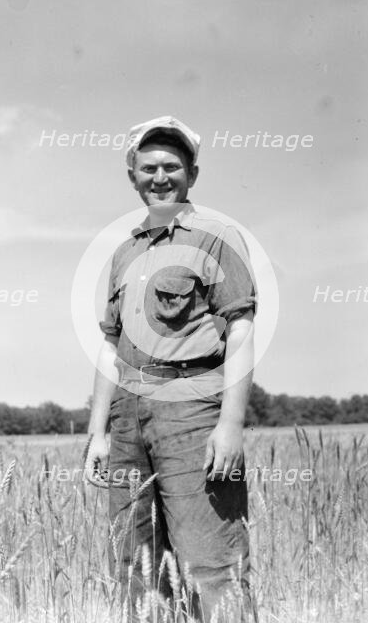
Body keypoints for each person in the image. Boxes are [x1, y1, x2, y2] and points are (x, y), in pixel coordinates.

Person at [85, 116, 257, 621]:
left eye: (172, 167)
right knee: (136, 571)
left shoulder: (216, 235)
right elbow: (109, 347)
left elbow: (241, 329)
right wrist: (98, 432)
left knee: (212, 567)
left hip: (193, 410)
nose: (161, 178)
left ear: (193, 175)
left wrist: (230, 424)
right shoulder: (125, 253)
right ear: (133, 177)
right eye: (149, 168)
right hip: (128, 418)